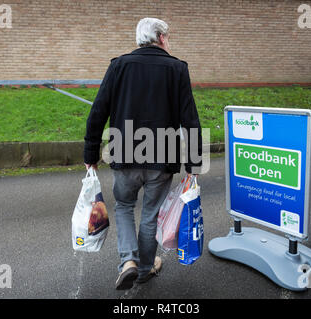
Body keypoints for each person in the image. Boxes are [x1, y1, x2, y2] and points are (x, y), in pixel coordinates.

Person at [83, 17, 202, 290]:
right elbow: (190, 120)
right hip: (162, 156)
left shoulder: (119, 66)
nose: (169, 42)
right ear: (161, 38)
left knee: (124, 206)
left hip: (124, 153)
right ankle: (146, 268)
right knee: (150, 214)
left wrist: (91, 153)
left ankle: (128, 262)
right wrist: (193, 163)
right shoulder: (177, 69)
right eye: (168, 37)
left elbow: (97, 112)